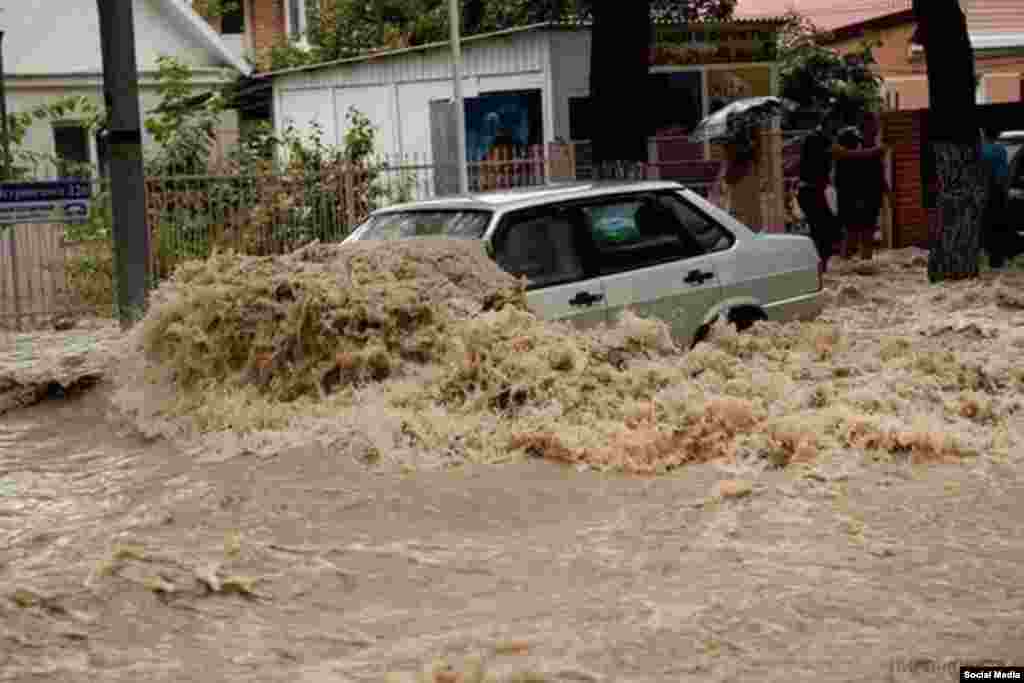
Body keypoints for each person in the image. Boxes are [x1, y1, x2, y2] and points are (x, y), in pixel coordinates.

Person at [796, 110, 888, 273]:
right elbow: (845, 155)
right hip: (811, 191)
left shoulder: (820, 138)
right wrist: (873, 152)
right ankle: (819, 269)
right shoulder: (820, 138)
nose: (838, 128)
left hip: (814, 191)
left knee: (827, 232)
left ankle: (822, 268)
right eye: (835, 124)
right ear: (829, 123)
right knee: (827, 232)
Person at [835, 114, 890, 261]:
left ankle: (865, 263)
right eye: (873, 126)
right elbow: (846, 167)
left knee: (868, 232)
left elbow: (878, 171)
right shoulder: (850, 140)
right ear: (864, 127)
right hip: (854, 194)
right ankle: (846, 264)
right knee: (852, 232)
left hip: (871, 194)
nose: (876, 129)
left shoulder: (874, 144)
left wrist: (887, 191)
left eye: (876, 126)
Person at [980, 125, 1011, 268]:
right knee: (998, 226)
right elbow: (1003, 175)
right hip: (996, 192)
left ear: (984, 134)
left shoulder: (980, 150)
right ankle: (996, 260)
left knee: (985, 225)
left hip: (982, 192)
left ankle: (985, 255)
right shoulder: (1000, 150)